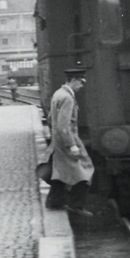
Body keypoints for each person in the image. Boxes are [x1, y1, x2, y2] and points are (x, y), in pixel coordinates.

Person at [40, 68, 95, 217]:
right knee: (85, 170)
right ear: (73, 80)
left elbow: (51, 119)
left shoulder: (58, 93)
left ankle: (54, 201)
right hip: (68, 139)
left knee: (62, 171)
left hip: (58, 140)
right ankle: (76, 205)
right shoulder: (68, 98)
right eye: (81, 82)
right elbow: (64, 125)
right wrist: (72, 145)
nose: (82, 86)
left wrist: (57, 138)